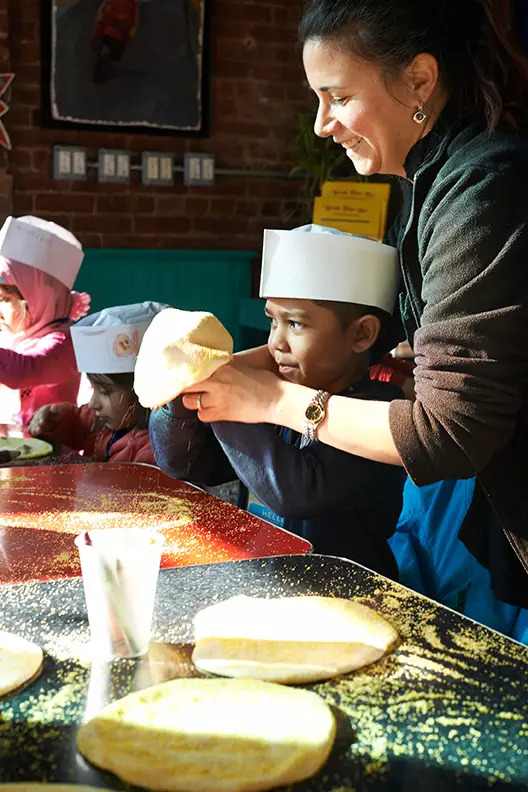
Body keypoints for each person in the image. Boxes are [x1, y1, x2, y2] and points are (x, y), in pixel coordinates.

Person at [176, 0, 528, 643]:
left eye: (336, 96)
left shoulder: (485, 181)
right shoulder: (429, 179)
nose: (321, 125)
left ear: (419, 80)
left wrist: (278, 401)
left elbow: (449, 432)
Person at [150, 225, 406, 578]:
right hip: (263, 578)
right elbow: (183, 463)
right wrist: (186, 394)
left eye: (296, 325)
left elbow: (295, 493)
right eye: (273, 321)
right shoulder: (269, 393)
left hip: (347, 596)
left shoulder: (376, 409)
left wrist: (231, 396)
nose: (276, 344)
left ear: (362, 334)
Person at [29, 302, 168, 464]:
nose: (93, 403)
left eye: (105, 392)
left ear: (145, 391)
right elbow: (77, 423)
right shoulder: (99, 421)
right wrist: (55, 420)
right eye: (93, 388)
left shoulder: (154, 453)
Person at [0, 215, 90, 433]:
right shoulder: (19, 338)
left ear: (37, 298)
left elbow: (22, 370)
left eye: (4, 300)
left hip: (54, 457)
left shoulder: (64, 344)